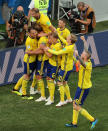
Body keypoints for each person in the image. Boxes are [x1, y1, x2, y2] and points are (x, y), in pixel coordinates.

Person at [65, 36, 98, 129]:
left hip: (83, 88)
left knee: (76, 106)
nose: (82, 52)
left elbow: (82, 63)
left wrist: (77, 55)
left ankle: (92, 119)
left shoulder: (86, 64)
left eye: (83, 53)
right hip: (81, 87)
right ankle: (74, 123)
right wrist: (84, 41)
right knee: (75, 104)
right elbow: (86, 51)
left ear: (85, 57)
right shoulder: (87, 59)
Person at [45, 33, 77, 107]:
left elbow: (57, 52)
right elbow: (62, 39)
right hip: (67, 67)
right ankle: (69, 98)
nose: (66, 37)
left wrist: (48, 49)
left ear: (70, 40)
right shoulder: (69, 44)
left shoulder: (68, 48)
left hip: (65, 68)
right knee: (65, 82)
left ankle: (62, 101)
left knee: (60, 83)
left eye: (68, 37)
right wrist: (57, 32)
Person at [12, 27, 38, 100]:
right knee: (27, 76)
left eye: (35, 32)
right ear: (29, 33)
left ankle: (15, 88)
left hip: (33, 60)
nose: (34, 34)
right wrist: (40, 51)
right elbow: (29, 53)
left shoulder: (35, 37)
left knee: (25, 75)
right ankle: (24, 94)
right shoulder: (28, 41)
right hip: (29, 61)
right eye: (33, 33)